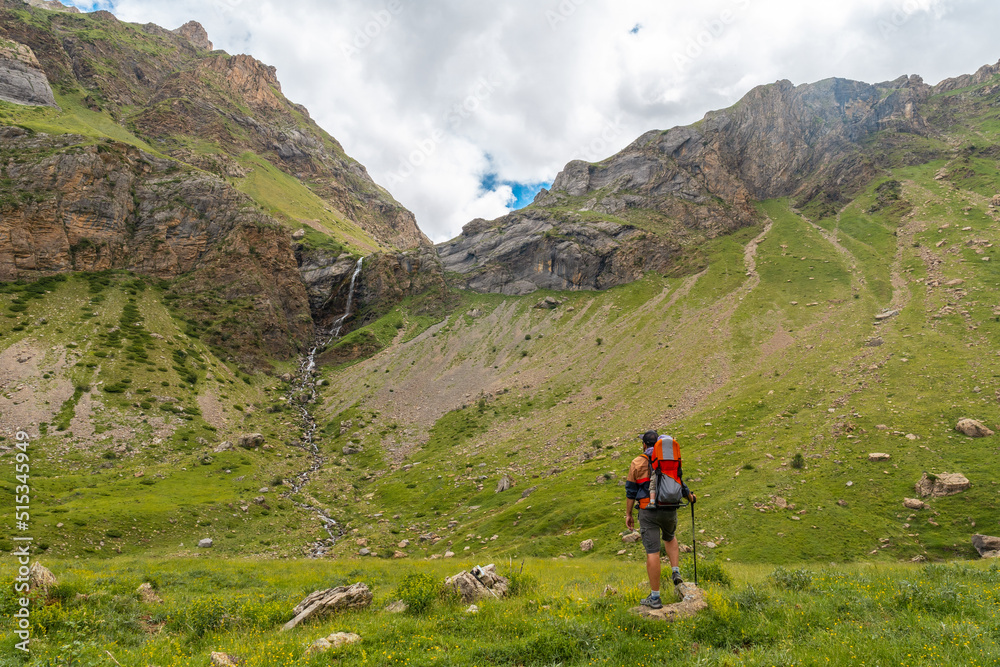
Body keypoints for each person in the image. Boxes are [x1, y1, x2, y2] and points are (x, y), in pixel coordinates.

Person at [625, 429, 696, 609]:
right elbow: (680, 483)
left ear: (644, 444)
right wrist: (691, 497)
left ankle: (655, 598)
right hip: (669, 509)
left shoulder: (637, 463)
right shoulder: (667, 461)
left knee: (653, 552)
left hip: (647, 511)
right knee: (670, 537)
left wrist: (629, 514)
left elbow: (631, 492)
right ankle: (675, 571)